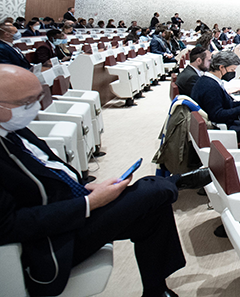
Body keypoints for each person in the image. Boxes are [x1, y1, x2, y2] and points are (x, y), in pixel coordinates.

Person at [0, 64, 195, 297]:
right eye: (28, 101)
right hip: (51, 240)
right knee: (152, 191)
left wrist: (86, 188)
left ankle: (156, 289)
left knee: (154, 207)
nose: (37, 106)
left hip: (73, 203)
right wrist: (90, 203)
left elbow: (49, 171)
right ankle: (176, 182)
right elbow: (9, 226)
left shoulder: (14, 128)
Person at [191, 51, 240, 153]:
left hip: (218, 124)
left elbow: (222, 103)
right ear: (221, 67)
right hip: (220, 129)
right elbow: (218, 114)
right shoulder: (211, 87)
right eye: (232, 69)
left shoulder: (206, 80)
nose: (233, 72)